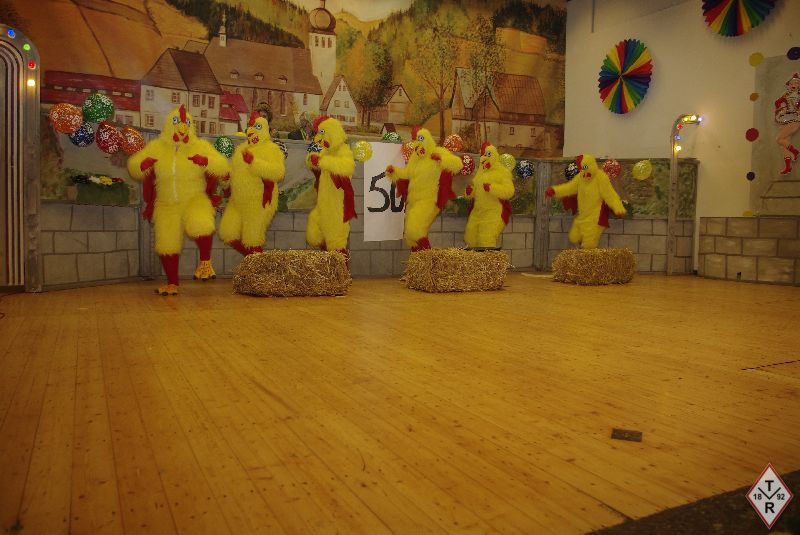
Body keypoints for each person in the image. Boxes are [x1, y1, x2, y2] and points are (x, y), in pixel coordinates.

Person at [775, 72, 800, 175]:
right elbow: (777, 102)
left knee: (779, 139)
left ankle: (795, 151)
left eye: (796, 83)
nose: (793, 85)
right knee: (784, 143)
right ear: (789, 84)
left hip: (795, 119)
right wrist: (782, 108)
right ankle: (788, 167)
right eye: (792, 83)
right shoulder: (786, 95)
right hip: (786, 119)